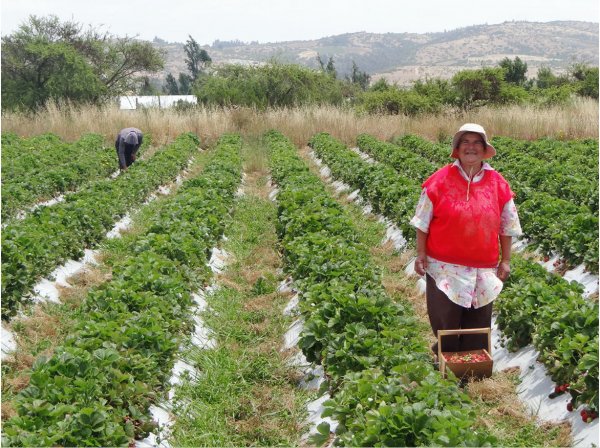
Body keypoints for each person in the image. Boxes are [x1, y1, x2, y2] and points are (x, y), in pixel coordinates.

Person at [410, 123, 522, 356]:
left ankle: (473, 370)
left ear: (484, 149)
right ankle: (446, 364)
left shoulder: (498, 184)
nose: (471, 148)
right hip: (444, 267)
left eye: (476, 143)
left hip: (484, 267)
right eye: (465, 142)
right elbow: (422, 221)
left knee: (478, 323)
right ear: (457, 149)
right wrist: (420, 254)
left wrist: (506, 260)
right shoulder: (439, 181)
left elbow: (507, 225)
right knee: (446, 320)